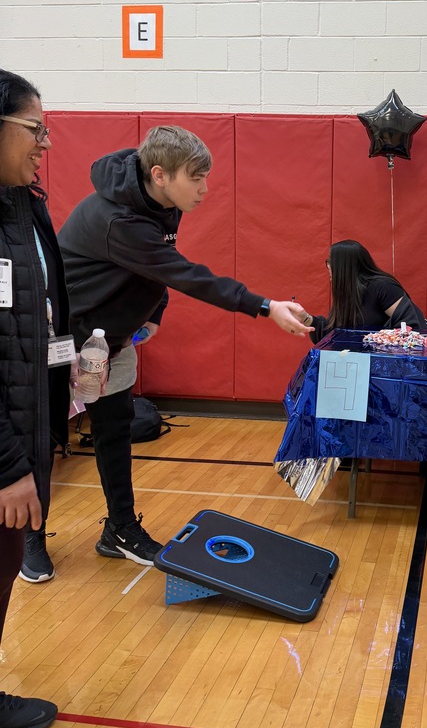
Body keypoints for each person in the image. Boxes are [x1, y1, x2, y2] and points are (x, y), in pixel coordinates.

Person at [56, 125, 312, 568]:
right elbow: (185, 273)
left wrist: (153, 311)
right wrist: (265, 306)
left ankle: (118, 529)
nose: (204, 189)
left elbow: (158, 267)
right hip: (70, 341)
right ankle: (32, 538)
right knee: (48, 440)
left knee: (113, 435)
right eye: (196, 178)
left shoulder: (160, 206)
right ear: (159, 174)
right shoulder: (119, 220)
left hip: (112, 342)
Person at [0, 70, 61, 728]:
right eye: (33, 129)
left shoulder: (21, 205)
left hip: (26, 418)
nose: (45, 142)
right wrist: (8, 466)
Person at [302, 239, 427, 343]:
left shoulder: (382, 287)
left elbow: (411, 326)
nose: (328, 267)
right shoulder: (347, 294)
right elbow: (334, 334)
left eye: (330, 262)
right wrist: (306, 319)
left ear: (343, 267)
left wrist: (377, 340)